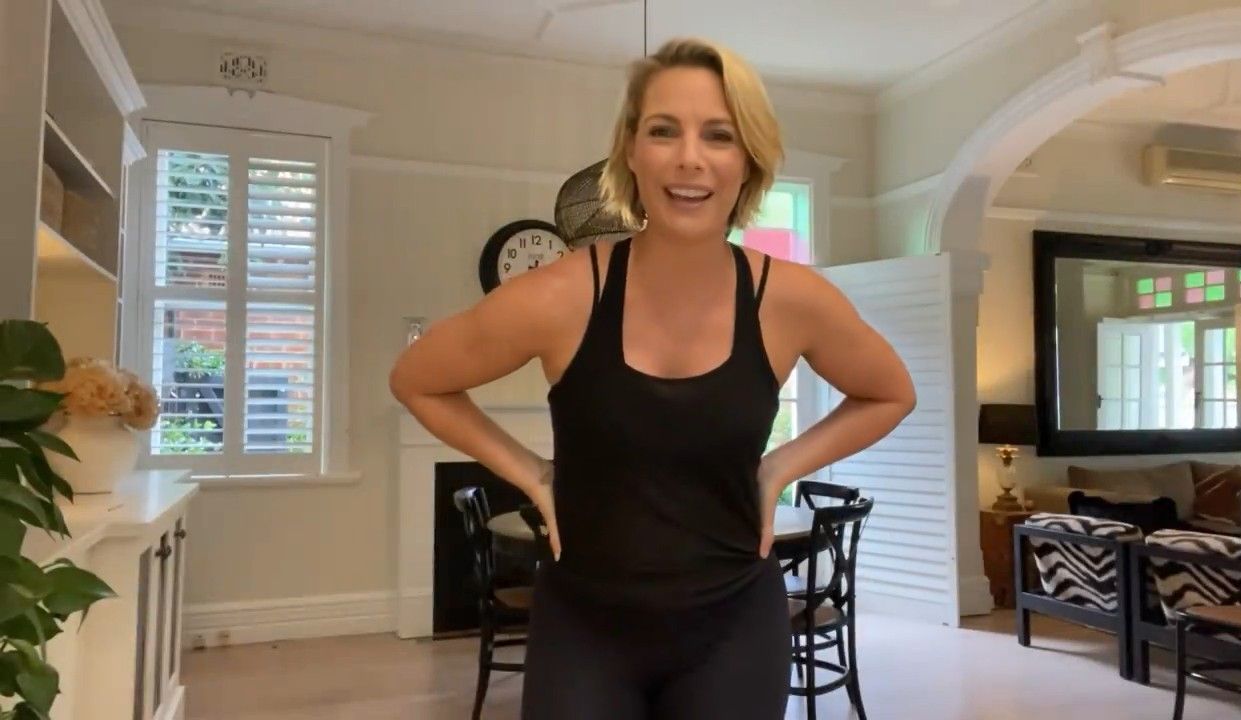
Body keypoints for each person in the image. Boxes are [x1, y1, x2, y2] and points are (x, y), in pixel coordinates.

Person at [389, 37, 916, 720]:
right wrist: (533, 474)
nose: (689, 158)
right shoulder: (563, 294)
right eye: (664, 130)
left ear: (748, 160)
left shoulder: (792, 299)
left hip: (733, 627)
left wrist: (779, 468)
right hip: (583, 627)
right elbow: (418, 378)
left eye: (719, 135)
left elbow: (890, 392)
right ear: (631, 152)